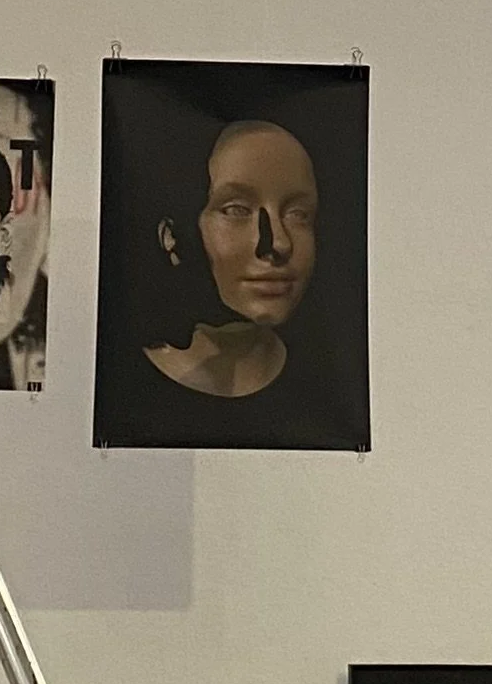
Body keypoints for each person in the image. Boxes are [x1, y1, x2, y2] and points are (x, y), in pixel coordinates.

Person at [97, 109, 351, 447]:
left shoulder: (330, 392)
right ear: (172, 237)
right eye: (236, 210)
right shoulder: (122, 392)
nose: (277, 242)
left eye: (297, 213)